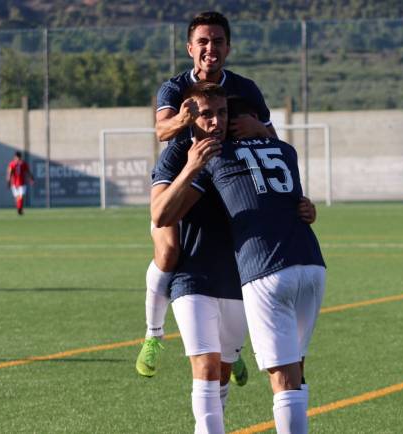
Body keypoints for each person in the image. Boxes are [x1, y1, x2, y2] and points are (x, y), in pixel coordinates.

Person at [153, 83, 324, 434]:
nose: (215, 121)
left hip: (259, 269)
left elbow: (164, 215)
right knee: (281, 371)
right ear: (188, 116)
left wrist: (193, 168)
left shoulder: (217, 154)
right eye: (207, 114)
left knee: (280, 378)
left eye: (222, 113)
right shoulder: (282, 148)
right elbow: (160, 215)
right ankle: (151, 330)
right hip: (304, 263)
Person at [136, 10, 276, 379]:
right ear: (189, 48)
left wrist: (258, 127)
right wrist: (185, 119)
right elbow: (162, 131)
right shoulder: (174, 87)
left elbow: (274, 143)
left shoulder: (246, 89)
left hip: (227, 178)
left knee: (237, 254)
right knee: (168, 249)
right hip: (179, 171)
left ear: (228, 47)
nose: (209, 48)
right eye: (202, 41)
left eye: (217, 41)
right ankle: (152, 335)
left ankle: (232, 348)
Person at [6, 151, 34, 215]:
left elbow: (9, 173)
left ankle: (19, 209)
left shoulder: (14, 163)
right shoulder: (21, 163)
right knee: (19, 197)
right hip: (18, 183)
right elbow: (28, 172)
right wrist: (31, 178)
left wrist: (8, 181)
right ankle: (19, 209)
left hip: (19, 183)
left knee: (19, 197)